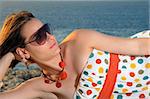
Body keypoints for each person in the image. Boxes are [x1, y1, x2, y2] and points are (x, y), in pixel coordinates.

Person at [0, 10, 149, 99]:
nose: (51, 37)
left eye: (46, 30)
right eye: (40, 37)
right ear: (23, 51)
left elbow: (138, 46)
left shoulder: (78, 40)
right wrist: (9, 56)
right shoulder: (41, 86)